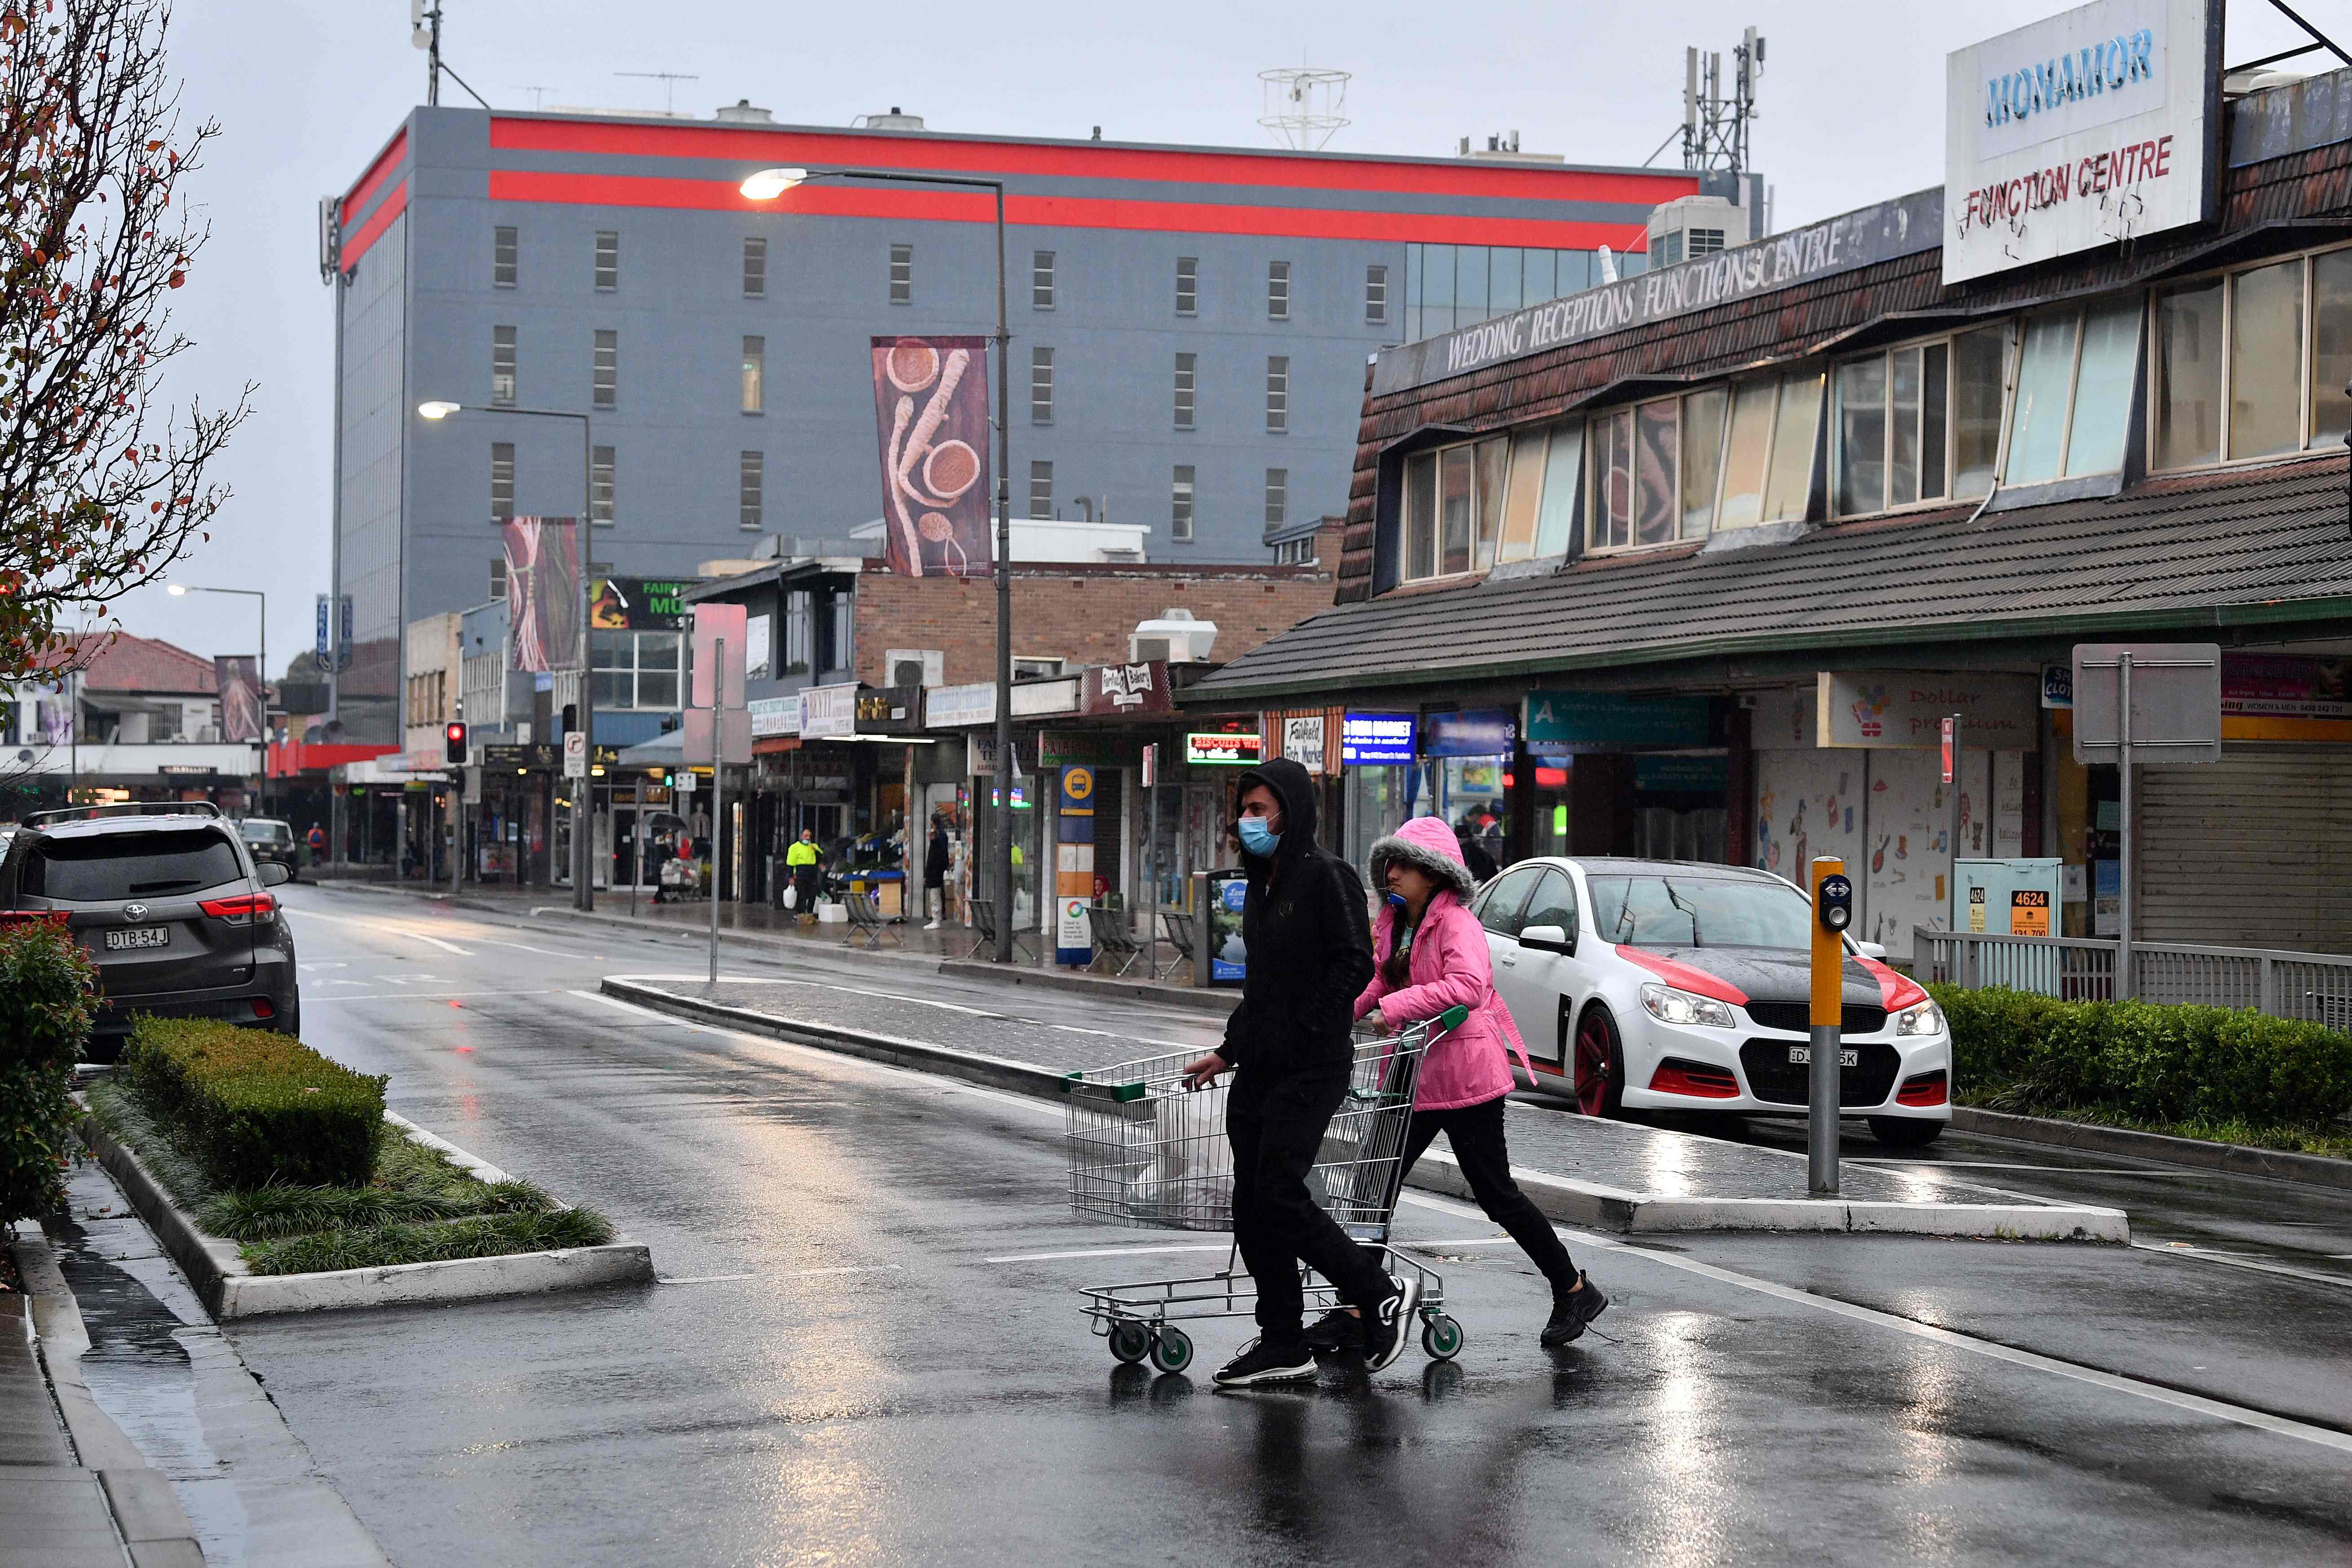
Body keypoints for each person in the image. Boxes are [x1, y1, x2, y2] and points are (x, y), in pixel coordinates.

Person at [1314, 816, 1605, 1351]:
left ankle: (1573, 1288)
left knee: (1497, 1195)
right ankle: (1357, 1308)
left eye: (1402, 864)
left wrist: (1393, 1008)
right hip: (1411, 1071)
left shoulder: (1456, 924)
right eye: (1387, 864)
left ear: (1433, 872)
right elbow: (1384, 979)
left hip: (1465, 1076)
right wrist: (1335, 1014)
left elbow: (1468, 987)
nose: (1391, 873)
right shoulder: (1399, 921)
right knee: (1371, 1188)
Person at [1181, 758, 1424, 1387]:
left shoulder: (1327, 877)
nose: (1248, 820)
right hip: (1260, 1069)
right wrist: (1228, 1051)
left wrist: (1306, 1031)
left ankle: (1377, 1291)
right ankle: (1283, 1340)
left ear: (1292, 811)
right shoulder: (1260, 886)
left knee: (1280, 1193)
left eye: (1260, 809)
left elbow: (1352, 964)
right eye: (1245, 810)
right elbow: (1262, 990)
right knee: (1251, 1205)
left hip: (1311, 1068)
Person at [786, 828, 822, 923]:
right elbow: (791, 863)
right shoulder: (795, 847)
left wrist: (815, 850)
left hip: (812, 874)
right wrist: (791, 877)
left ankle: (810, 914)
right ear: (802, 836)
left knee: (812, 895)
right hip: (800, 874)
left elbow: (821, 857)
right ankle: (801, 915)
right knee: (801, 895)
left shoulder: (814, 846)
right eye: (806, 836)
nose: (808, 838)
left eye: (809, 836)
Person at [923, 812, 950, 930]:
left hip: (934, 870)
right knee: (939, 893)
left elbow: (931, 856)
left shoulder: (936, 836)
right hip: (940, 869)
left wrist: (926, 873)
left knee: (934, 895)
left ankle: (936, 919)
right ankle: (938, 917)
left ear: (932, 822)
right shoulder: (944, 835)